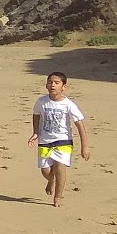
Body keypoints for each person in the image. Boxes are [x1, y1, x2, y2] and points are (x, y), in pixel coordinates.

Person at [27, 71, 89, 206]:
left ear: (63, 86)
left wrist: (84, 146)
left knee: (60, 167)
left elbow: (79, 124)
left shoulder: (68, 104)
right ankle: (51, 180)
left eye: (56, 83)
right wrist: (35, 132)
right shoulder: (41, 102)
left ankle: (58, 197)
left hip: (63, 140)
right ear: (46, 85)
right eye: (50, 82)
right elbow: (36, 115)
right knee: (47, 172)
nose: (52, 85)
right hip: (45, 141)